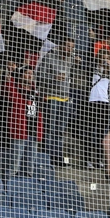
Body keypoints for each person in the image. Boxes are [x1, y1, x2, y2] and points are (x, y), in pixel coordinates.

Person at [36, 38, 79, 166]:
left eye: (71, 47)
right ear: (61, 45)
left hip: (65, 98)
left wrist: (77, 64)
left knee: (60, 130)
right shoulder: (50, 57)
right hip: (51, 97)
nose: (69, 49)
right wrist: (54, 78)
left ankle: (58, 158)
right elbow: (39, 76)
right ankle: (47, 158)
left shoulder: (71, 59)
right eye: (67, 46)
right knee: (50, 129)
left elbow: (72, 75)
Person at [6, 67, 43, 178]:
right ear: (21, 76)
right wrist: (10, 78)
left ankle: (27, 186)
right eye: (27, 73)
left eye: (31, 74)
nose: (30, 76)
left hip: (33, 131)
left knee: (30, 166)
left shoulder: (36, 91)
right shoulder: (16, 89)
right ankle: (11, 184)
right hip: (20, 130)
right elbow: (10, 92)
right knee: (14, 164)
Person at [82, 52, 110, 169]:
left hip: (105, 103)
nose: (105, 60)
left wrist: (109, 69)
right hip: (92, 102)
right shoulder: (93, 69)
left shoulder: (109, 72)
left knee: (100, 133)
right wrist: (100, 66)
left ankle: (99, 159)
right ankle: (88, 160)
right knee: (90, 132)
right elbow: (89, 71)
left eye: (107, 58)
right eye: (103, 58)